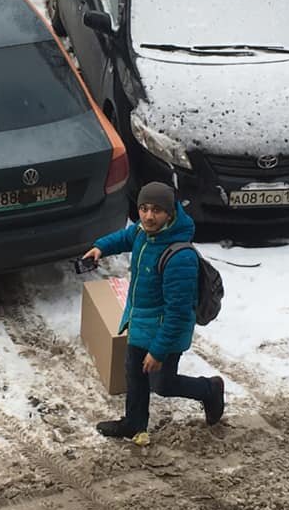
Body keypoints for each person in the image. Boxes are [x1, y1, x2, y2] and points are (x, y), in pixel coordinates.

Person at [82, 181, 225, 442]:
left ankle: (210, 389)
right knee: (134, 375)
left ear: (170, 213)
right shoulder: (142, 232)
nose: (148, 216)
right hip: (141, 321)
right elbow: (124, 237)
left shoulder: (180, 258)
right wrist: (101, 247)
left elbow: (179, 313)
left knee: (163, 384)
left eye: (156, 211)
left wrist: (158, 350)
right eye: (144, 209)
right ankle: (134, 424)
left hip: (166, 332)